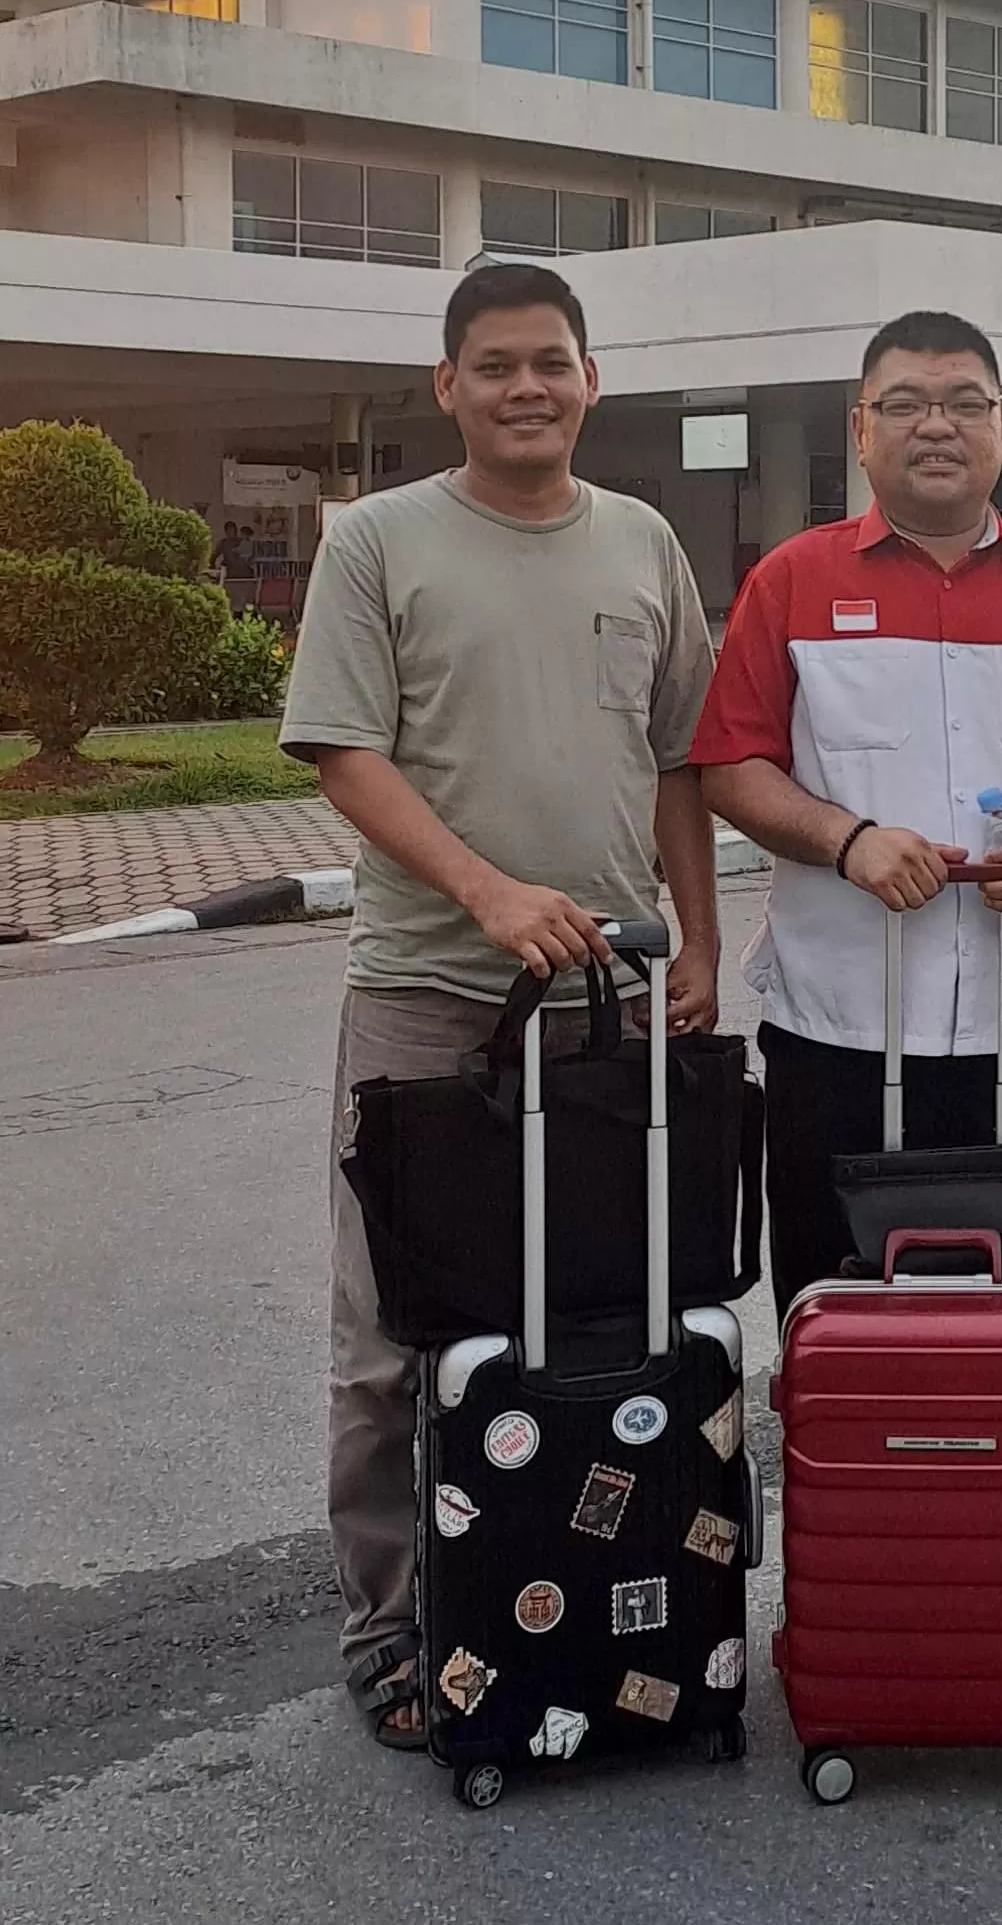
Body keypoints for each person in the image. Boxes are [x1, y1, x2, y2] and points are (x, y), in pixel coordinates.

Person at [280, 260, 719, 1750]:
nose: (527, 387)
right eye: (496, 365)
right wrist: (486, 893)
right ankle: (392, 1627)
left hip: (607, 1006)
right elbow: (343, 752)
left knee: (602, 1315)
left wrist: (699, 941)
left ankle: (597, 1598)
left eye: (552, 362)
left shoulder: (644, 540)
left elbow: (679, 758)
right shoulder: (379, 541)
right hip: (425, 994)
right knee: (392, 1334)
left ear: (591, 379)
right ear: (447, 386)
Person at [693, 309, 1002, 1319]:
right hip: (838, 1026)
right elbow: (729, 765)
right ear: (860, 429)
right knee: (832, 1308)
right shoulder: (793, 582)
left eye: (963, 404)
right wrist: (846, 841)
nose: (936, 426)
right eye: (904, 404)